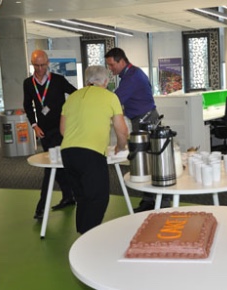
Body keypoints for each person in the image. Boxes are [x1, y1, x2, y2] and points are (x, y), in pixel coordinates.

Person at [60, 65, 128, 234]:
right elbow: (122, 129)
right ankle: (88, 238)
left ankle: (82, 236)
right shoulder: (110, 97)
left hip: (68, 153)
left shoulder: (72, 97)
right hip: (91, 154)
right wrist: (121, 146)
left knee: (82, 198)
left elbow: (63, 129)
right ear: (105, 81)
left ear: (86, 80)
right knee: (98, 198)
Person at [105, 47, 167, 212]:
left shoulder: (131, 77)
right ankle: (151, 200)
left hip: (144, 120)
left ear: (121, 61)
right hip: (144, 118)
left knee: (147, 162)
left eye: (112, 65)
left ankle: (157, 201)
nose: (110, 69)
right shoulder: (132, 73)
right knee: (147, 161)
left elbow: (115, 100)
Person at [23, 49, 77, 220]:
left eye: (42, 65)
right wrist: (34, 125)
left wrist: (70, 116)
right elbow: (27, 105)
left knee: (49, 167)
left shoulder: (58, 80)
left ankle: (41, 207)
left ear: (47, 64)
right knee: (57, 166)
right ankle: (69, 196)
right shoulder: (28, 83)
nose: (39, 69)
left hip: (60, 130)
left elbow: (76, 94)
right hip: (43, 131)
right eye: (36, 66)